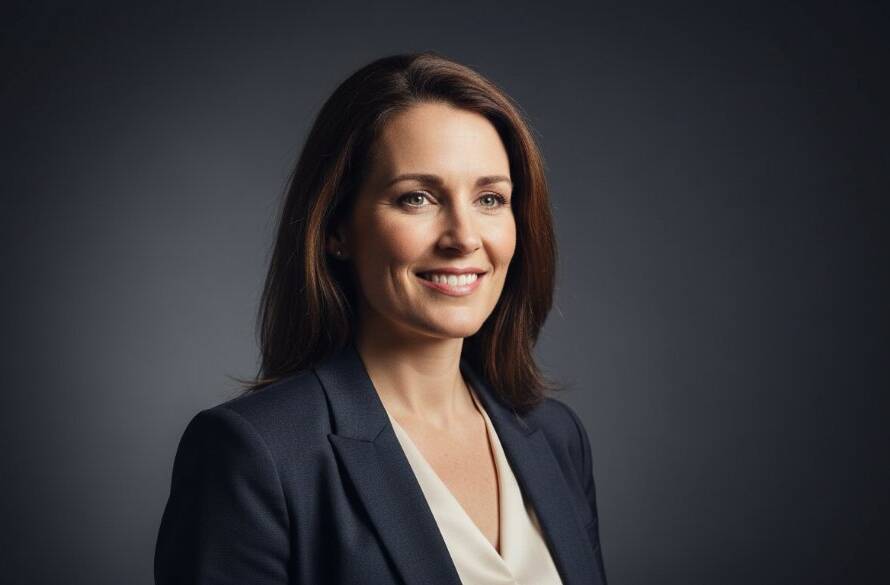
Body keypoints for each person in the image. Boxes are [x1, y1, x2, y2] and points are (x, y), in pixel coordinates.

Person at [154, 51, 608, 585]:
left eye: (490, 198)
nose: (464, 237)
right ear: (336, 229)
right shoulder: (258, 454)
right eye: (416, 197)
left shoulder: (555, 436)